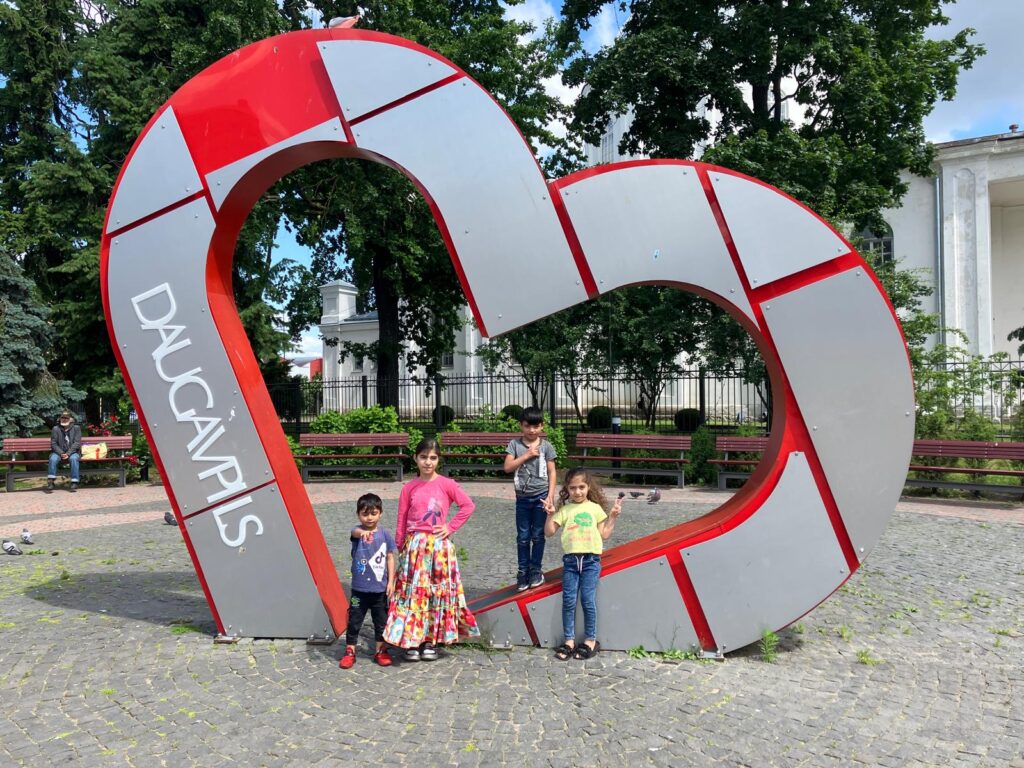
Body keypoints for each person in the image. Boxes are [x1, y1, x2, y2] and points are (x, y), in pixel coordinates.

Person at [384, 438, 480, 661]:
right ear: (415, 458)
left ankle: (430, 640)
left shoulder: (447, 484)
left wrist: (450, 527)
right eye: (424, 457)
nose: (428, 462)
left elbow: (468, 505)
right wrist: (400, 544)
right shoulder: (409, 487)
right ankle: (412, 639)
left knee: (435, 593)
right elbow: (402, 517)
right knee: (413, 594)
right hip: (415, 547)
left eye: (433, 458)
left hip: (438, 548)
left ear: (438, 460)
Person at [543, 467, 622, 661]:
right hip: (571, 562)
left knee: (587, 600)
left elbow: (604, 534)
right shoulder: (565, 510)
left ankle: (590, 640)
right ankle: (569, 641)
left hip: (590, 561)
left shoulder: (595, 509)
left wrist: (613, 516)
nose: (577, 492)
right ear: (567, 490)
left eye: (581, 487)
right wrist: (550, 514)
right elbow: (549, 532)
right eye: (572, 488)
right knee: (569, 601)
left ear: (588, 487)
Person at [339, 493, 397, 669]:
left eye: (373, 513)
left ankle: (380, 650)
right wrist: (363, 533)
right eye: (365, 514)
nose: (369, 517)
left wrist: (391, 582)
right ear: (358, 515)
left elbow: (390, 558)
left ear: (380, 513)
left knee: (381, 621)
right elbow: (354, 532)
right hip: (359, 590)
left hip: (380, 589)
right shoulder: (357, 532)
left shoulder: (385, 534)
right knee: (354, 620)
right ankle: (350, 651)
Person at [503, 406, 557, 591]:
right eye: (527, 426)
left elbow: (552, 472)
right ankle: (522, 572)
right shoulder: (514, 445)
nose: (531, 430)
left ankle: (535, 570)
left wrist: (550, 496)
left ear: (542, 426)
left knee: (538, 536)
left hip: (541, 496)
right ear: (521, 425)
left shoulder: (546, 447)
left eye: (536, 426)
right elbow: (507, 467)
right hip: (523, 499)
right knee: (523, 537)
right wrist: (526, 455)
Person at [48, 410, 82, 493]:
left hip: (73, 452)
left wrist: (68, 453)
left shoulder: (76, 428)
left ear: (70, 419)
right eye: (62, 418)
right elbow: (53, 443)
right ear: (60, 419)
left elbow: (77, 443)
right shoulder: (55, 429)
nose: (64, 419)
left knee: (74, 459)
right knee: (53, 459)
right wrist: (61, 453)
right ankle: (51, 482)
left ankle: (74, 482)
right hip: (58, 452)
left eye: (66, 418)